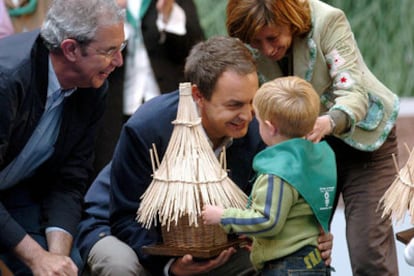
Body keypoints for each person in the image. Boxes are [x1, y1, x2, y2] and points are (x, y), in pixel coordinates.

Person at [98, 35, 333, 276]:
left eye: (252, 102)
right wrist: (170, 265)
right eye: (234, 105)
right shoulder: (149, 128)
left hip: (218, 245)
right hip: (126, 232)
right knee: (121, 266)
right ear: (198, 96)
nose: (248, 115)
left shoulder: (265, 130)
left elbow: (289, 195)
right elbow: (126, 217)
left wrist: (314, 235)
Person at [225, 0, 400, 275]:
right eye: (256, 42)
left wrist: (328, 121)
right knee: (306, 247)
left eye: (272, 38)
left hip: (362, 141)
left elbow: (353, 92)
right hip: (306, 149)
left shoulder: (328, 21)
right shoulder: (246, 37)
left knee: (368, 252)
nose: (267, 50)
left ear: (290, 19)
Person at [0, 0, 125, 274]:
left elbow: (70, 178)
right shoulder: (7, 80)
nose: (119, 61)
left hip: (17, 191)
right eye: (109, 51)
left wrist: (55, 259)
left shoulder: (92, 85)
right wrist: (37, 258)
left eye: (121, 48)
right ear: (70, 49)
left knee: (71, 267)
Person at [202, 76, 336, 275]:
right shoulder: (316, 157)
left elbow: (268, 221)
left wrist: (223, 216)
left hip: (286, 266)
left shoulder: (278, 172)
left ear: (270, 127)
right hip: (313, 261)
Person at [92, 0, 205, 175]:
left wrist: (168, 15)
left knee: (176, 170)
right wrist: (110, 14)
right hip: (116, 106)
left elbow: (194, 49)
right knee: (117, 171)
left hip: (168, 104)